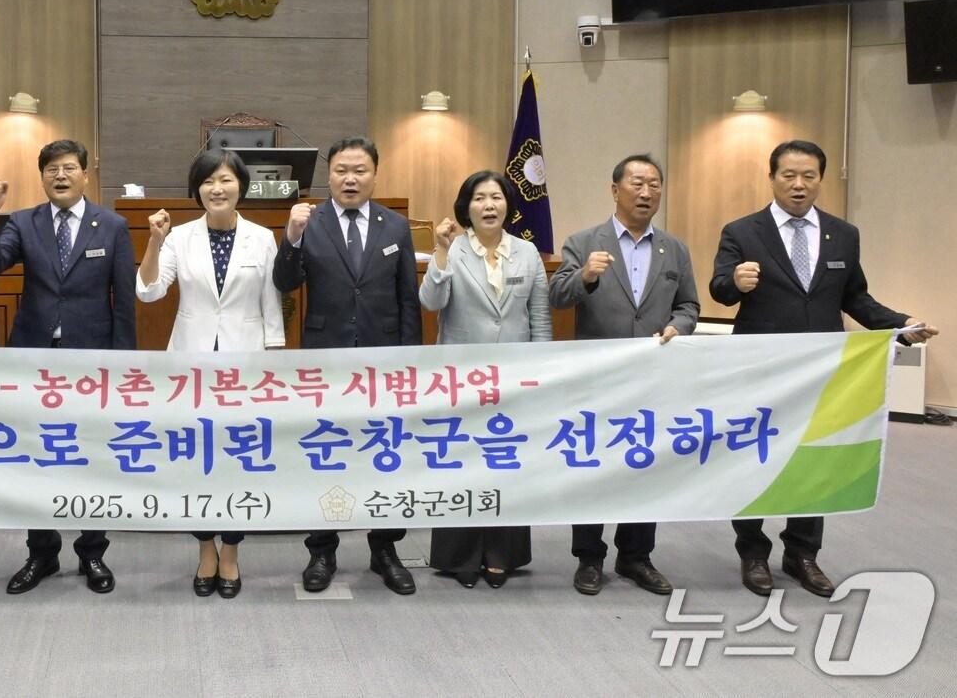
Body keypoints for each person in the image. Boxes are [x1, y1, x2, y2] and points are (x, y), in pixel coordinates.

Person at [711, 139, 938, 598]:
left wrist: (900, 325)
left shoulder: (843, 234)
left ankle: (802, 553)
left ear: (821, 178)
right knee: (755, 455)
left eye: (808, 175)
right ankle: (753, 552)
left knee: (814, 458)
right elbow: (720, 289)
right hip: (761, 367)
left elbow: (855, 297)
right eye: (789, 175)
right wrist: (734, 281)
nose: (798, 184)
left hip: (823, 370)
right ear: (771, 177)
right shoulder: (742, 231)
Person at [0, 139, 135, 596]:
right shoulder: (24, 222)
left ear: (86, 175)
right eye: (51, 170)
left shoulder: (112, 225)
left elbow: (123, 302)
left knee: (89, 457)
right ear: (42, 176)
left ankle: (93, 553)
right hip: (35, 359)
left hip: (93, 361)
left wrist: (123, 369)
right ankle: (41, 553)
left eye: (69, 168)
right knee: (37, 457)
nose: (60, 176)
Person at [272, 136, 421, 595]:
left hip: (383, 357)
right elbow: (284, 281)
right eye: (341, 170)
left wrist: (410, 361)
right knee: (327, 453)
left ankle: (385, 549)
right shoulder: (309, 222)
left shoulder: (395, 226)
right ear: (328, 175)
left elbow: (407, 299)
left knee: (385, 454)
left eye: (359, 170)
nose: (350, 178)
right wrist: (291, 239)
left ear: (375, 175)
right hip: (327, 357)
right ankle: (322, 549)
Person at [136, 149, 284, 599]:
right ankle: (205, 549)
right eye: (207, 182)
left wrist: (273, 361)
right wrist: (155, 242)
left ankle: (233, 553)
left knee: (237, 461)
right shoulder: (179, 237)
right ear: (196, 189)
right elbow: (148, 292)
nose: (216, 189)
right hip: (191, 366)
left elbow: (271, 306)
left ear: (241, 185)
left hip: (245, 365)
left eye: (225, 180)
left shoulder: (262, 238)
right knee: (197, 460)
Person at [549, 154, 698, 597]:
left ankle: (636, 556)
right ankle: (588, 558)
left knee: (644, 463)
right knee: (593, 464)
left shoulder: (675, 248)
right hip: (597, 378)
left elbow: (689, 305)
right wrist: (586, 278)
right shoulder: (582, 242)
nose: (646, 192)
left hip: (652, 376)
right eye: (636, 183)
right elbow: (557, 296)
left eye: (654, 184)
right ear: (615, 190)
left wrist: (680, 326)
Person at [419, 170, 550, 590]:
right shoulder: (452, 249)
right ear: (466, 208)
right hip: (461, 377)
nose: (489, 205)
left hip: (513, 378)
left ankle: (502, 554)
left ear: (508, 204)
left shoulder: (527, 252)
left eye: (496, 197)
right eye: (479, 198)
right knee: (463, 462)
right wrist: (439, 255)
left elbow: (540, 316)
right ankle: (460, 556)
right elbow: (431, 302)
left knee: (505, 461)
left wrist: (540, 370)